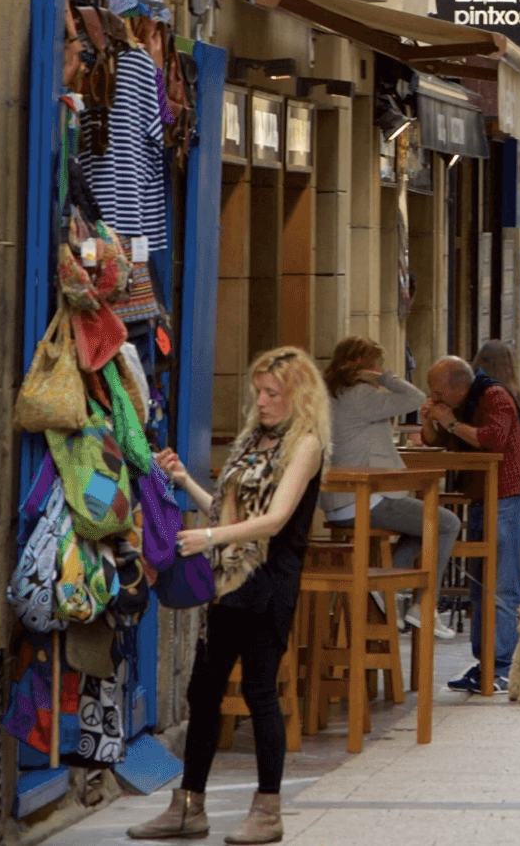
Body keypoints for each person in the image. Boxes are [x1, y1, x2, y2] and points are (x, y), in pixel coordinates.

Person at [133, 348, 329, 844]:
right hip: (227, 583)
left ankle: (268, 810)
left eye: (272, 393)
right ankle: (188, 805)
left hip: (268, 583)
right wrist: (185, 483)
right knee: (203, 690)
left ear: (298, 396)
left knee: (260, 690)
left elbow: (275, 520)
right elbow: (226, 512)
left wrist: (210, 539)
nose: (261, 402)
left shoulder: (305, 444)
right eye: (258, 392)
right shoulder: (252, 441)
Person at [321, 337, 461, 633]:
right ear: (365, 366)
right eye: (379, 363)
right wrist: (386, 378)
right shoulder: (361, 395)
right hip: (361, 500)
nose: (382, 368)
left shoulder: (332, 395)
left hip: (339, 502)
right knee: (447, 523)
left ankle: (386, 586)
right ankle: (424, 606)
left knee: (424, 525)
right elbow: (415, 397)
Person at [421, 355, 520, 697]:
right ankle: (485, 663)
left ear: (459, 387)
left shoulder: (494, 396)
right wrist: (430, 422)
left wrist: (450, 421)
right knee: (480, 587)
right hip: (482, 498)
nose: (435, 397)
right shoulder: (463, 405)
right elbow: (440, 443)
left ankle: (505, 667)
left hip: (507, 499)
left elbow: (492, 439)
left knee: (502, 585)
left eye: (439, 392)